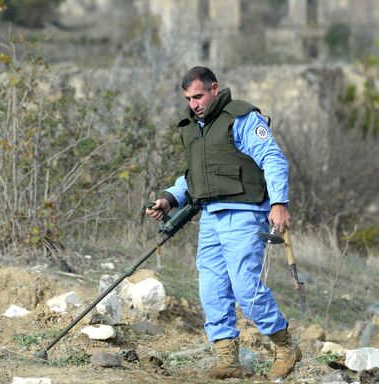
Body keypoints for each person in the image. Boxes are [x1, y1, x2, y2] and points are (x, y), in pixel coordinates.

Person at [146, 66, 301, 380]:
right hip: (211, 217)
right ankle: (228, 360)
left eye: (199, 95)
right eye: (189, 98)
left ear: (214, 89)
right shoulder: (191, 128)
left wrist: (279, 203)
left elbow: (272, 157)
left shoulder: (241, 118)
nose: (194, 103)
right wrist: (168, 199)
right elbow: (192, 178)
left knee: (245, 288)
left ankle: (285, 346)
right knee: (211, 288)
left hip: (244, 213)